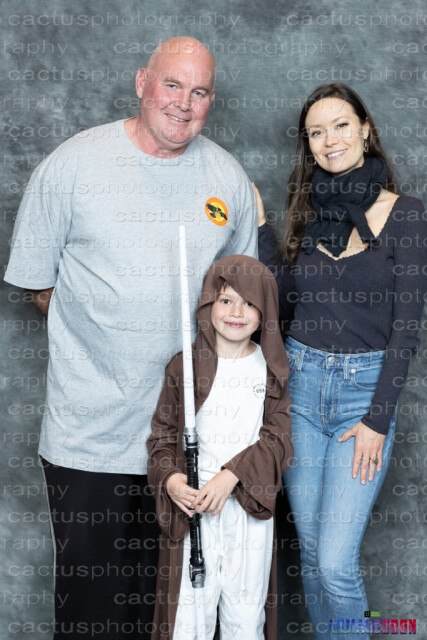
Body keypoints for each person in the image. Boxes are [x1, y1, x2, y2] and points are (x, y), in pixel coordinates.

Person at [4, 37, 257, 639]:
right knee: (92, 611)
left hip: (188, 443)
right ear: (143, 83)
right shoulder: (70, 166)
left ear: (211, 100)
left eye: (199, 92)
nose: (183, 103)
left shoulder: (227, 178)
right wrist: (106, 331)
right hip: (89, 439)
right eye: (172, 85)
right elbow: (37, 284)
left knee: (166, 614)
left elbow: (245, 299)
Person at [255, 83, 427, 640]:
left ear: (365, 129)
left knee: (335, 562)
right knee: (311, 554)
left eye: (341, 125)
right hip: (301, 392)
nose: (330, 140)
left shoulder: (406, 215)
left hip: (363, 396)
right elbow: (288, 303)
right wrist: (261, 232)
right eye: (316, 132)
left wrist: (378, 418)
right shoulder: (310, 211)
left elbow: (406, 330)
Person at [147, 255, 294, 640]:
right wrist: (172, 480)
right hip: (195, 510)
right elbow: (162, 438)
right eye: (226, 300)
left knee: (244, 622)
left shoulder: (271, 369)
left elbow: (278, 441)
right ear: (209, 303)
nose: (236, 312)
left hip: (247, 513)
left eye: (249, 303)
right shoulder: (185, 367)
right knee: (188, 622)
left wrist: (232, 476)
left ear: (265, 314)